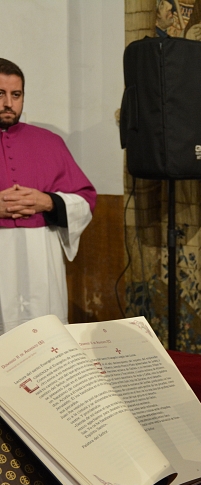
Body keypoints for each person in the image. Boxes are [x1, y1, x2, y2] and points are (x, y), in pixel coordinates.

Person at [0, 59, 96, 335]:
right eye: (0, 94)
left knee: (45, 339)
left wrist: (50, 202)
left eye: (15, 95)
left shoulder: (50, 142)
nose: (8, 102)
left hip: (41, 259)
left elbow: (85, 199)